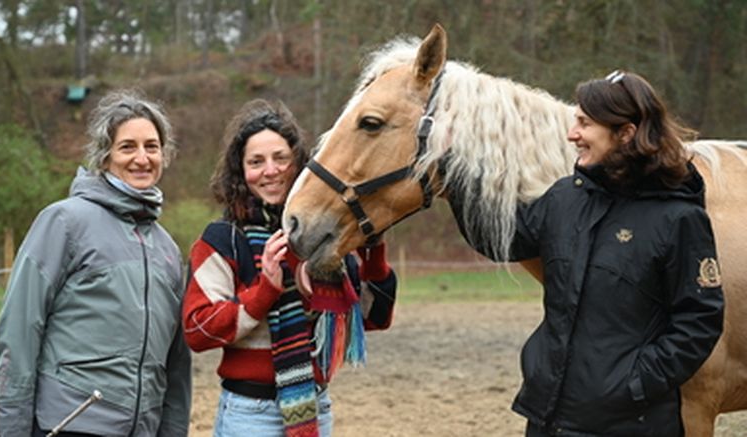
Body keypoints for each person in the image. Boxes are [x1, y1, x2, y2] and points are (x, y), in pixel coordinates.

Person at [450, 70, 724, 436]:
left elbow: (699, 321)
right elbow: (503, 238)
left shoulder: (679, 218)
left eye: (585, 123)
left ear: (625, 133)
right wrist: (455, 171)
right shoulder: (565, 197)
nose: (571, 134)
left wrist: (636, 384)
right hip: (549, 419)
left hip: (631, 424)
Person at [182, 99, 397, 437]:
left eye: (281, 158)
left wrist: (373, 249)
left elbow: (374, 318)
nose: (271, 171)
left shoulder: (321, 237)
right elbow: (197, 331)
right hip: (250, 414)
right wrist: (265, 291)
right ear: (240, 172)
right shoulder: (223, 240)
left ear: (299, 164)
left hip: (315, 407)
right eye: (256, 162)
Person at [0, 90, 191, 437]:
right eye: (127, 146)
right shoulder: (64, 223)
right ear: (105, 156)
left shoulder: (168, 250)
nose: (142, 158)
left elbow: (176, 363)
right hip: (70, 423)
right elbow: (19, 332)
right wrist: (11, 429)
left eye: (152, 146)